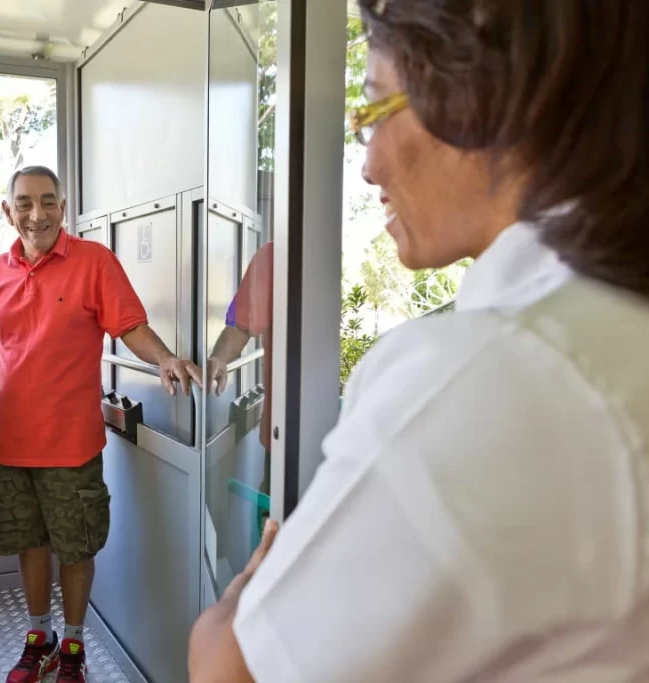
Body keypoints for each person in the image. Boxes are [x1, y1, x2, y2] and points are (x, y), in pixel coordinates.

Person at [189, 0, 649, 681]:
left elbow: (232, 668)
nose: (368, 166)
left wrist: (233, 608)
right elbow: (236, 328)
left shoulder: (486, 377)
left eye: (372, 111)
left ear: (479, 94)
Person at [0, 166, 201, 683]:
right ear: (8, 210)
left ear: (63, 205)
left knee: (75, 547)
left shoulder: (93, 262)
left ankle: (72, 645)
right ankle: (40, 636)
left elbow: (130, 326)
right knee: (28, 543)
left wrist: (165, 358)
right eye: (26, 203)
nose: (38, 214)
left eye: (48, 201)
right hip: (10, 442)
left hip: (70, 443)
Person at [207, 240, 274, 509]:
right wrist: (219, 359)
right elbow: (240, 327)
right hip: (283, 434)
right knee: (275, 526)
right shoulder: (273, 256)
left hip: (329, 434)